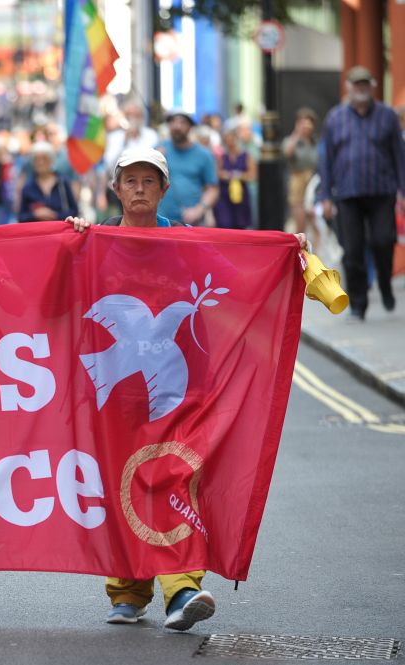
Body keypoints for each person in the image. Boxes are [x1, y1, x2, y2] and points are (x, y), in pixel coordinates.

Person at [65, 147, 307, 631]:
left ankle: (182, 588)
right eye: (129, 180)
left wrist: (283, 250)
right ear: (114, 189)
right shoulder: (93, 242)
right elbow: (48, 288)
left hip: (181, 387)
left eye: (148, 181)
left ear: (164, 190)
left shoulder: (188, 241)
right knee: (121, 484)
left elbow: (241, 275)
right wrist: (65, 240)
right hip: (114, 391)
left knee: (171, 477)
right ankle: (129, 590)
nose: (138, 189)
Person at [318, 65, 405, 320]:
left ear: (372, 87)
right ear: (349, 88)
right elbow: (327, 160)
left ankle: (386, 285)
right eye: (357, 85)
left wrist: (403, 190)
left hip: (382, 192)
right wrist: (324, 196)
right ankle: (358, 303)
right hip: (347, 194)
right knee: (352, 249)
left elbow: (400, 156)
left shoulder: (387, 116)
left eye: (365, 84)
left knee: (382, 241)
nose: (361, 89)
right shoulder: (335, 118)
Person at [100, 99, 160, 214]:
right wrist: (124, 142)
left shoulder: (151, 136)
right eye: (129, 115)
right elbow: (109, 166)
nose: (132, 119)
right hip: (119, 190)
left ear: (142, 117)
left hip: (145, 189)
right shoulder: (115, 137)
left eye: (136, 115)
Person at [158, 111, 219, 225]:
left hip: (192, 221)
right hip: (161, 220)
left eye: (182, 122)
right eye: (173, 122)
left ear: (191, 127)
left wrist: (199, 210)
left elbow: (212, 189)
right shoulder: (159, 150)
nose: (177, 126)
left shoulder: (204, 154)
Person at [17, 142, 79, 223]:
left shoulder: (62, 183)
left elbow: (74, 211)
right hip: (37, 233)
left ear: (51, 160)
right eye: (36, 159)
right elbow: (21, 217)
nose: (40, 162)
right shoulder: (28, 187)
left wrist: (55, 215)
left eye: (44, 158)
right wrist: (34, 214)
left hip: (59, 232)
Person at [282, 108, 319, 236]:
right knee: (300, 222)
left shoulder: (315, 142)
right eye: (303, 123)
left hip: (313, 183)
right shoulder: (292, 141)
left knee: (315, 223)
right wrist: (297, 134)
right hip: (297, 181)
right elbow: (287, 152)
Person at [213, 124, 256, 230]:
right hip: (225, 195)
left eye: (231, 139)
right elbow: (217, 173)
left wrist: (239, 175)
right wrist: (226, 175)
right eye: (227, 140)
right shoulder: (222, 157)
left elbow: (253, 175)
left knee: (241, 225)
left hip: (241, 195)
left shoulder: (246, 155)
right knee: (225, 224)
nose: (230, 142)